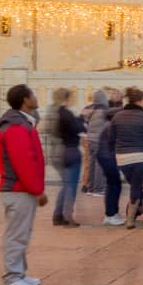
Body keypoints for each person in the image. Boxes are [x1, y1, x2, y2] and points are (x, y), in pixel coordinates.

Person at [0, 83, 47, 285]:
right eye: (32, 94)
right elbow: (23, 161)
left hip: (20, 189)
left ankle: (20, 274)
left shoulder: (22, 124)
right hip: (18, 189)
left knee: (21, 233)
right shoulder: (16, 127)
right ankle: (12, 278)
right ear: (25, 99)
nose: (36, 97)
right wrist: (37, 190)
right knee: (16, 234)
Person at [109, 87, 143, 230]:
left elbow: (111, 138)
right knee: (136, 187)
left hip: (122, 158)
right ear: (140, 101)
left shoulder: (117, 116)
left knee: (136, 185)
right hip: (141, 156)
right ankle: (130, 220)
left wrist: (114, 152)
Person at [49, 88, 85, 227]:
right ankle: (68, 216)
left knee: (65, 184)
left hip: (56, 151)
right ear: (67, 98)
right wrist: (81, 119)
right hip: (70, 150)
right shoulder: (67, 113)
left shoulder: (52, 112)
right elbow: (78, 129)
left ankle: (58, 215)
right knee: (71, 186)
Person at [92, 92, 125, 224]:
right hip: (107, 155)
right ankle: (110, 214)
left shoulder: (110, 122)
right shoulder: (113, 123)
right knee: (114, 184)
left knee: (113, 183)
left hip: (105, 155)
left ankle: (112, 213)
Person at [82, 90, 109, 195]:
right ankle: (98, 189)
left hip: (89, 139)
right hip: (100, 141)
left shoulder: (88, 109)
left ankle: (90, 188)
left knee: (91, 163)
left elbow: (82, 122)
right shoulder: (104, 110)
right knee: (99, 165)